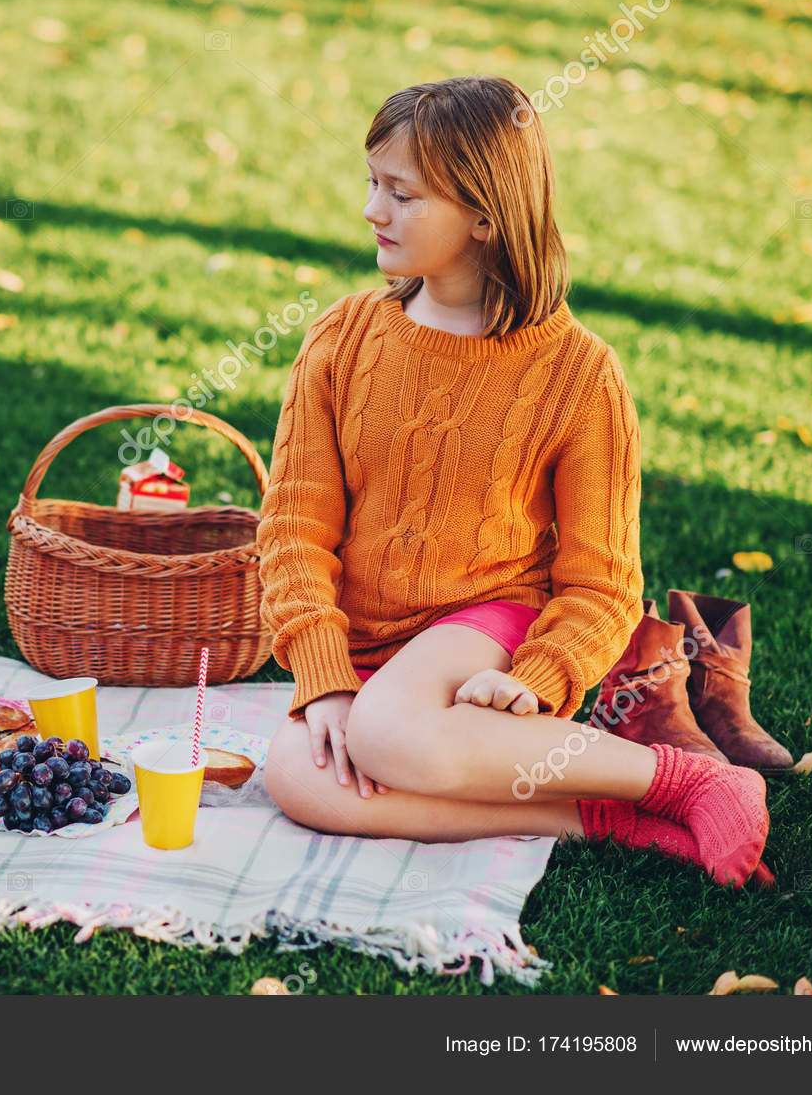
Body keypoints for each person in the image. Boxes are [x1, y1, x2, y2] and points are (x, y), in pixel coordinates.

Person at [258, 77, 769, 888]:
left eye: (402, 194)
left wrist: (534, 680)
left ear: (485, 216)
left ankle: (687, 780)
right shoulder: (341, 340)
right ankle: (617, 822)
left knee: (385, 735)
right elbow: (293, 531)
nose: (371, 210)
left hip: (492, 625)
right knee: (296, 774)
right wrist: (323, 681)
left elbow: (602, 582)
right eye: (372, 183)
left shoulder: (580, 375)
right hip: (372, 651)